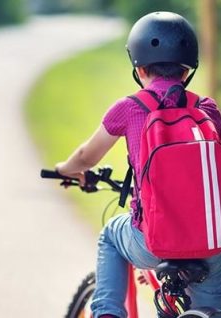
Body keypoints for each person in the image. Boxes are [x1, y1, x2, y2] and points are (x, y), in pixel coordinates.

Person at [55, 12, 221, 317]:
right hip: (210, 241)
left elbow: (86, 157)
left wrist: (66, 168)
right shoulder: (206, 109)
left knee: (111, 236)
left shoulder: (129, 109)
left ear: (139, 68)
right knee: (210, 307)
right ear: (187, 71)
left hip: (151, 240)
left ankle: (107, 311)